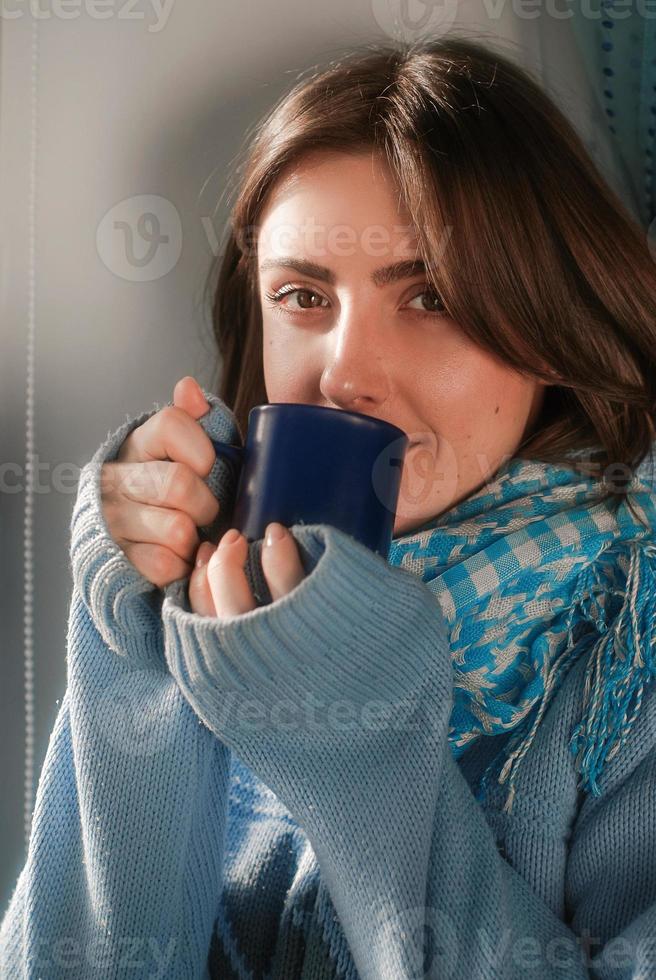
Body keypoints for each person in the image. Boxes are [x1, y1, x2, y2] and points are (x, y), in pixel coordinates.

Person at [2, 34, 656, 980]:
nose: (346, 373)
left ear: (549, 325)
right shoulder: (210, 585)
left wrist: (354, 736)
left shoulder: (628, 649)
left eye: (429, 296)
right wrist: (135, 641)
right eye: (303, 295)